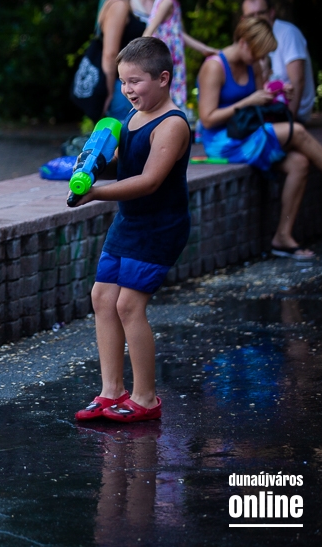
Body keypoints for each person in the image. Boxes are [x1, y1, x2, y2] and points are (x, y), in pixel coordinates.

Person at [72, 37, 192, 423]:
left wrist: (96, 194)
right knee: (103, 297)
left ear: (163, 78)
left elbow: (149, 180)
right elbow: (125, 166)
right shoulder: (132, 116)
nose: (127, 90)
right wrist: (91, 168)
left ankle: (146, 398)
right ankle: (112, 391)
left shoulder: (171, 124)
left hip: (160, 226)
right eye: (123, 82)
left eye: (136, 81)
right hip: (129, 221)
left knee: (128, 305)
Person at [196, 16, 322, 259]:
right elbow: (208, 119)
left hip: (248, 132)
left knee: (299, 163)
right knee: (297, 131)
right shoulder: (214, 67)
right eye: (257, 53)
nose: (260, 59)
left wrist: (275, 94)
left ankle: (282, 237)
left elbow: (258, 104)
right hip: (222, 141)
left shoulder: (251, 64)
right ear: (243, 42)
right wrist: (248, 101)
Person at [143, 0, 216, 110]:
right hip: (165, 59)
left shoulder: (171, 2)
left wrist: (203, 48)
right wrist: (141, 56)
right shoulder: (167, 2)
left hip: (171, 60)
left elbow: (179, 34)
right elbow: (149, 29)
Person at [97, 0, 155, 123]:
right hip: (119, 89)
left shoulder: (122, 2)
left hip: (122, 86)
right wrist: (109, 93)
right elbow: (110, 53)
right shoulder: (118, 5)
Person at [241, 0, 317, 122]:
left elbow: (298, 81)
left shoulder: (288, 33)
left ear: (271, 13)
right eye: (251, 16)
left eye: (261, 13)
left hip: (291, 113)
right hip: (270, 109)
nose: (256, 19)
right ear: (243, 19)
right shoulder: (247, 41)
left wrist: (289, 121)